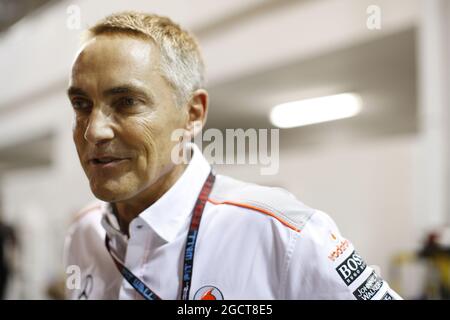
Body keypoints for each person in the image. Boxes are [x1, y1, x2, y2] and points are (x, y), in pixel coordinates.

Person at [63, 11, 402, 300]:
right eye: (81, 104)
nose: (94, 131)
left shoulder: (285, 234)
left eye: (127, 102)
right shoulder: (84, 232)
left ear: (193, 114)